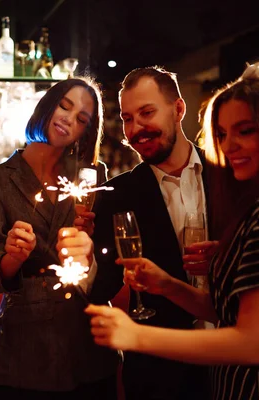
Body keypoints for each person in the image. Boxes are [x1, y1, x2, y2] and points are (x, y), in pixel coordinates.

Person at [86, 62, 259, 400]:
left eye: (246, 130)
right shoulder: (114, 194)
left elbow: (253, 340)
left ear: (178, 109)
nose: (230, 146)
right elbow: (229, 306)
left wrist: (134, 336)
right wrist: (165, 284)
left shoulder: (246, 187)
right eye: (222, 134)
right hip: (167, 376)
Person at [0, 78, 119, 399]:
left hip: (87, 338)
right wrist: (13, 255)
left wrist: (91, 252)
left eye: (83, 118)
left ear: (87, 132)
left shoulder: (91, 177)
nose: (70, 118)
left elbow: (110, 265)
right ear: (46, 106)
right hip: (26, 346)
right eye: (64, 105)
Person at [87, 66, 211, 399]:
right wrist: (82, 257)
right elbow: (100, 289)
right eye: (128, 118)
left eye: (147, 113)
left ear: (179, 109)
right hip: (160, 372)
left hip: (235, 360)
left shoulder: (228, 175)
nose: (136, 128)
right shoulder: (115, 194)